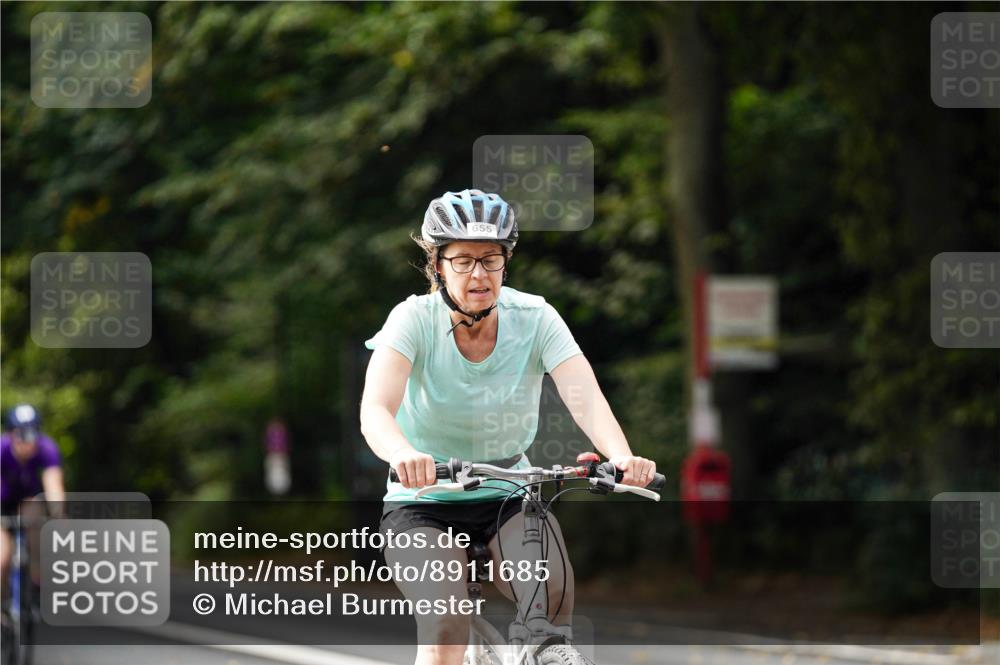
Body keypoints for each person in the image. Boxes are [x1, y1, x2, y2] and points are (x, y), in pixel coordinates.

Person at [360, 189, 656, 665]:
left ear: (506, 261)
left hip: (507, 492)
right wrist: (401, 454)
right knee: (445, 624)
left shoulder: (535, 317)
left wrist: (620, 456)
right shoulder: (411, 320)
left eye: (491, 259)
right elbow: (376, 408)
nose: (478, 273)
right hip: (423, 500)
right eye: (462, 261)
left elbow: (585, 397)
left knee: (553, 594)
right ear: (438, 264)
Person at [0, 404, 65, 623]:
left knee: (36, 518)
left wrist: (58, 516)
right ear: (10, 434)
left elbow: (53, 485)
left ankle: (37, 580)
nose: (28, 441)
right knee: (2, 556)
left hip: (28, 500)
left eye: (33, 433)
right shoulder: (1, 449)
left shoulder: (47, 448)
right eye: (21, 434)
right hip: (2, 502)